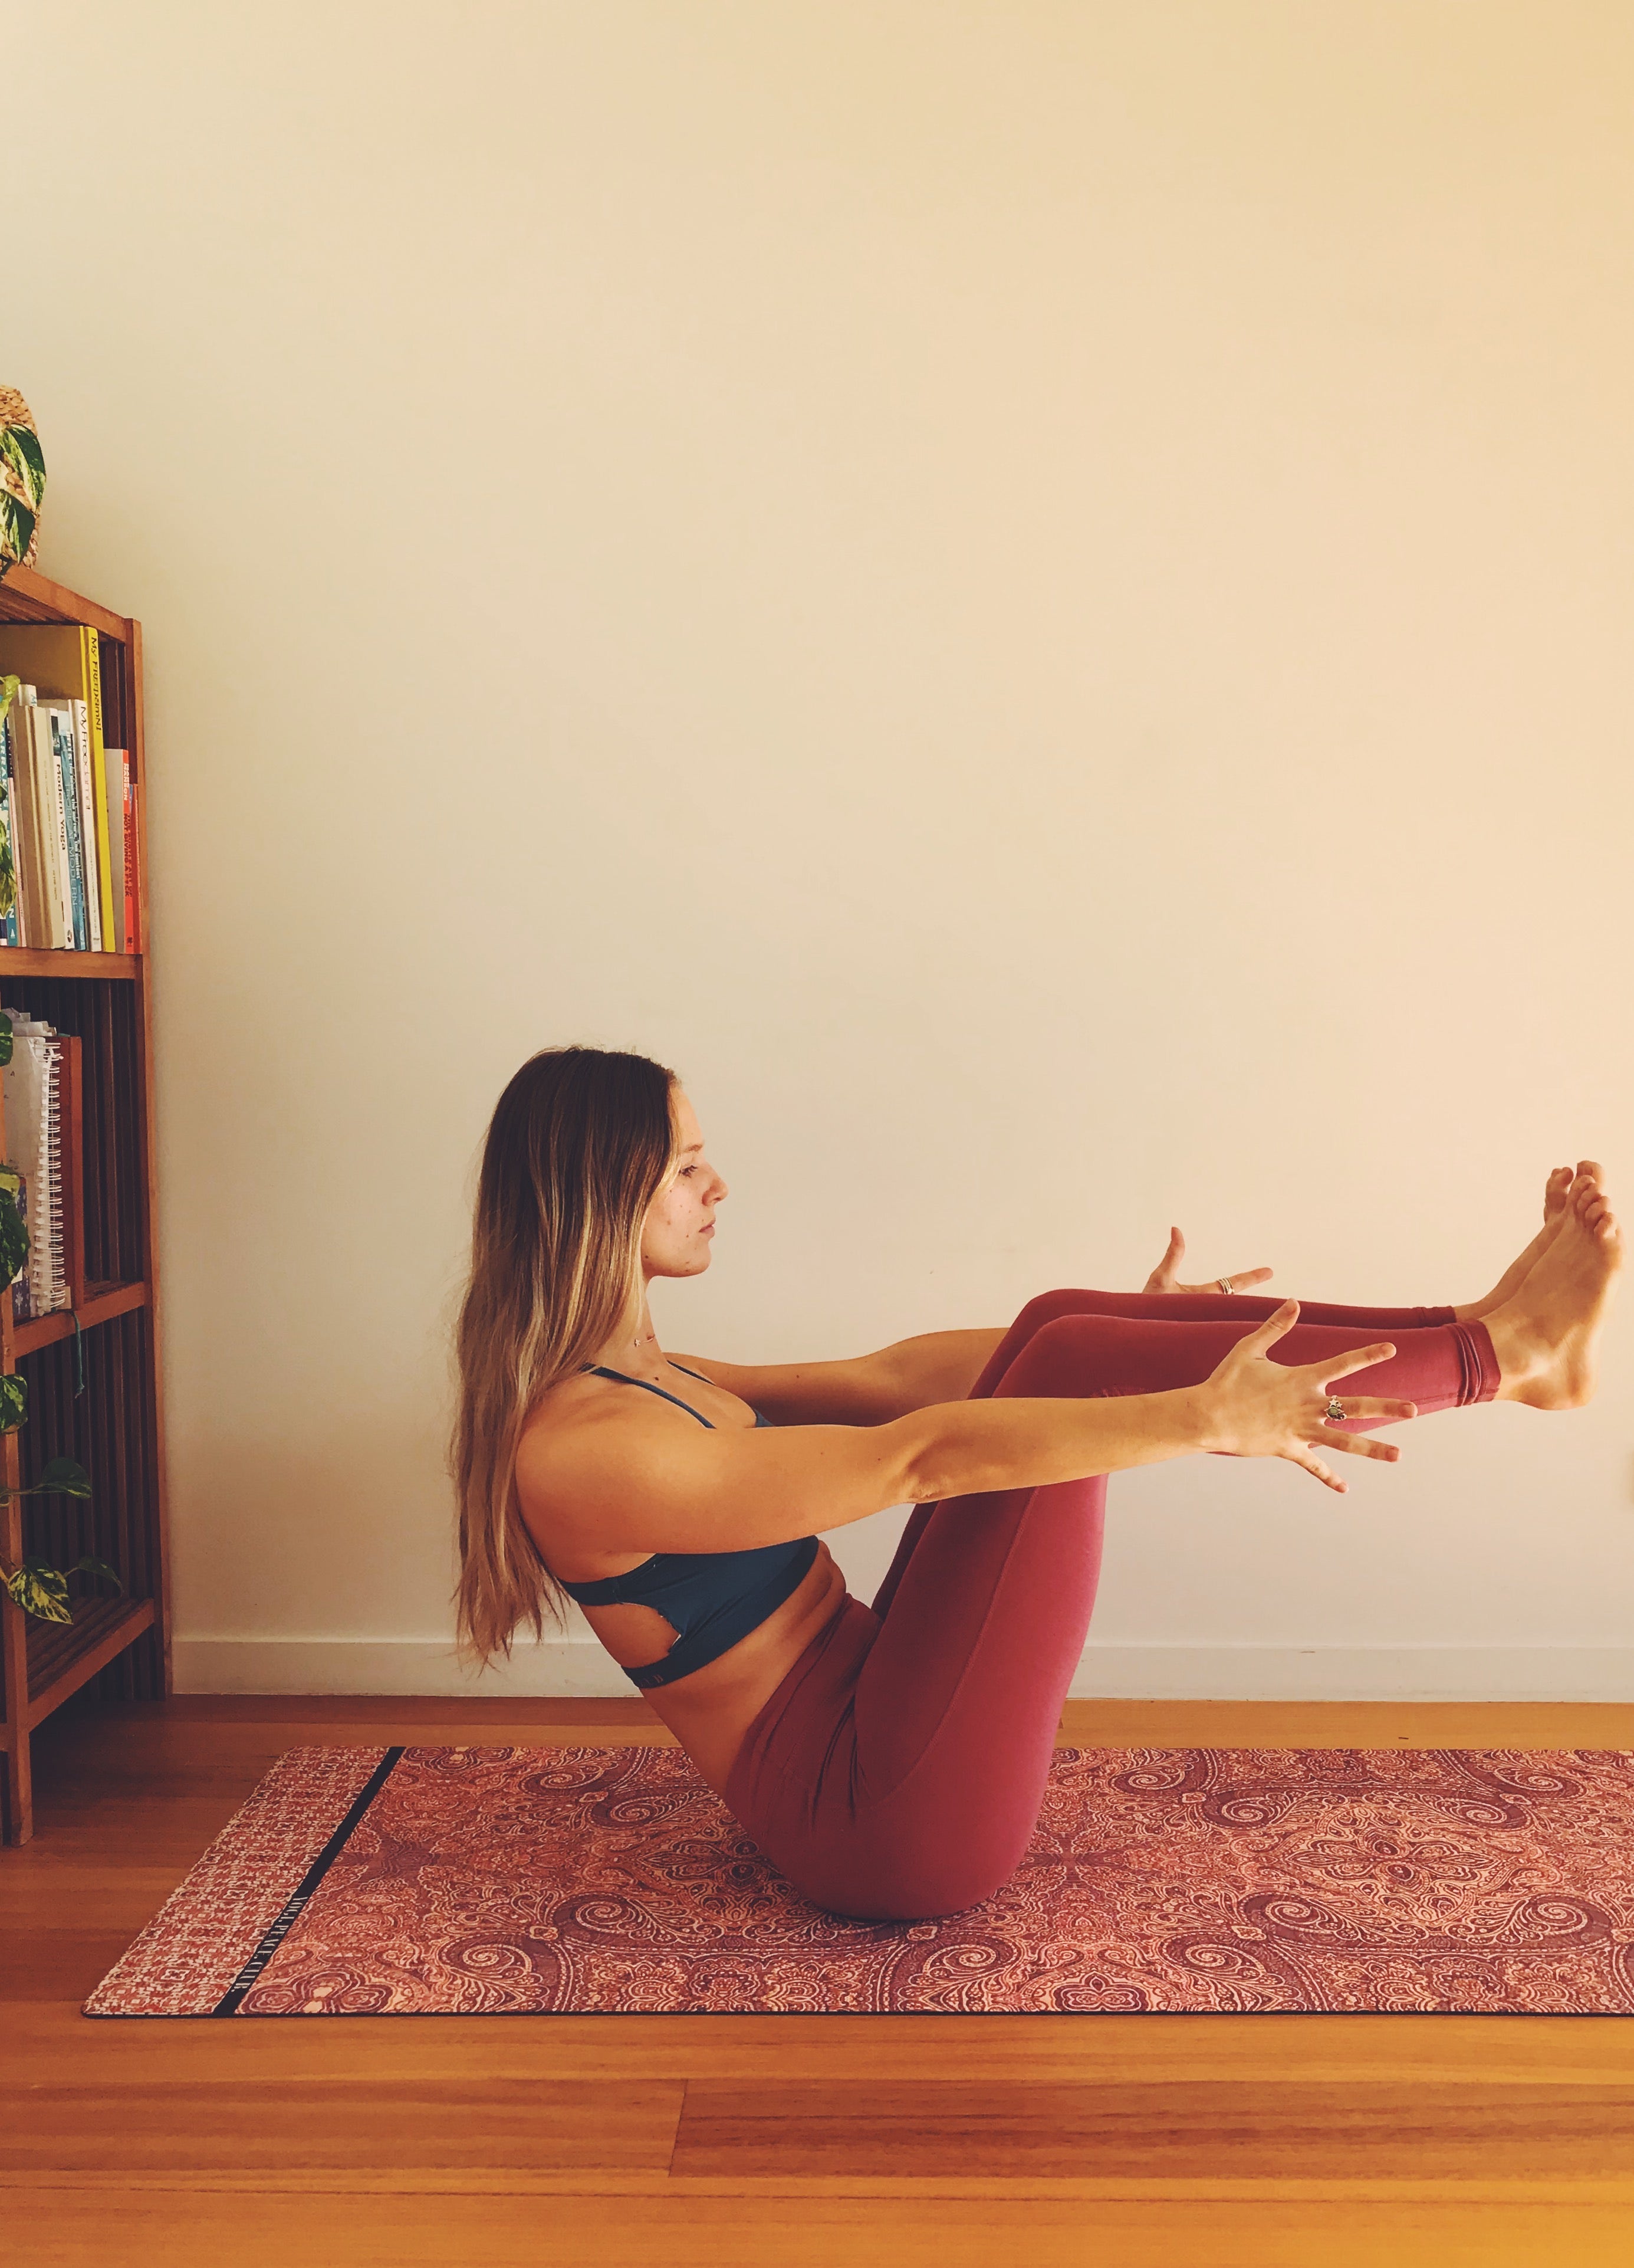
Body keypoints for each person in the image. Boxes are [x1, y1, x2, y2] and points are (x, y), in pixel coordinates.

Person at [452, 1046, 1621, 1922]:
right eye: (690, 1166)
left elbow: (889, 1382)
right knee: (1073, 1356)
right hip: (881, 1825)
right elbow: (913, 1458)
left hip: (883, 1722)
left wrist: (1136, 1331)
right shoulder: (582, 1446)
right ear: (607, 1190)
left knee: (1060, 1327)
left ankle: (1481, 1333)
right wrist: (1190, 1412)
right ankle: (1505, 1356)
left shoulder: (648, 1377)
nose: (719, 1188)